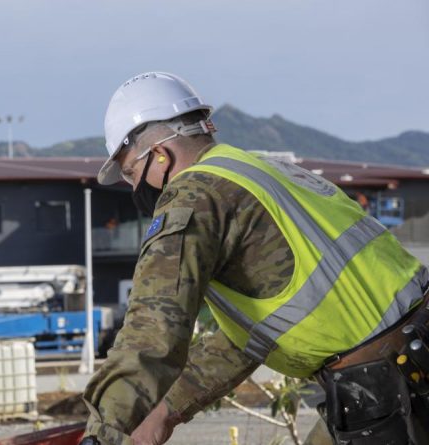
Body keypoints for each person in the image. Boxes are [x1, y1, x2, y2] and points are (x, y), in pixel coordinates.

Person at [79, 72, 429, 445]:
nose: (135, 188)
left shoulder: (194, 196)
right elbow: (252, 338)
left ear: (160, 155)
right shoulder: (261, 171)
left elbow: (150, 331)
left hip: (381, 383)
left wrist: (102, 434)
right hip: (404, 362)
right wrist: (165, 411)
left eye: (132, 172)